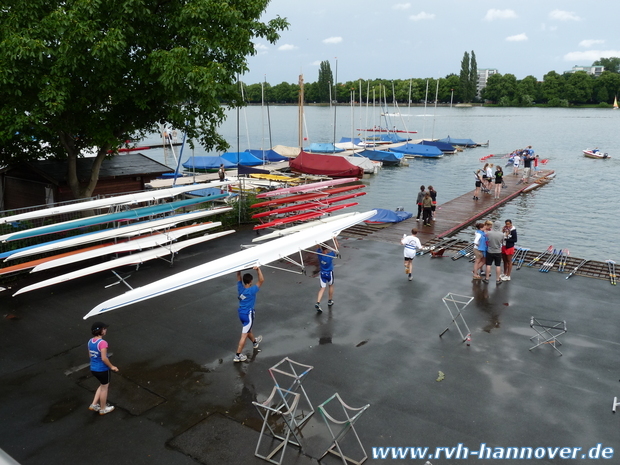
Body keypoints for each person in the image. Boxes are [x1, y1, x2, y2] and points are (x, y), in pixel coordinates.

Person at [88, 322, 119, 415]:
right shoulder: (103, 343)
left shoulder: (90, 341)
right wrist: (112, 366)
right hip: (102, 370)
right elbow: (104, 358)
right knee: (105, 388)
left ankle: (94, 404)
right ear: (100, 331)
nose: (106, 330)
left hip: (93, 368)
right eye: (104, 329)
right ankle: (103, 408)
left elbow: (90, 355)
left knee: (102, 386)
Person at [234, 267, 264, 362]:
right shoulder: (252, 291)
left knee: (248, 330)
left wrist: (239, 269)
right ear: (250, 281)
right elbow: (261, 280)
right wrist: (258, 269)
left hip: (241, 314)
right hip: (248, 314)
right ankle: (237, 355)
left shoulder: (240, 288)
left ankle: (255, 342)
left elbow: (238, 277)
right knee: (244, 335)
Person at [315, 240, 338, 312]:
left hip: (322, 274)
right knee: (331, 285)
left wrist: (318, 241)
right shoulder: (330, 255)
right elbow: (337, 247)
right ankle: (330, 300)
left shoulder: (319, 254)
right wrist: (335, 239)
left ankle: (318, 302)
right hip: (329, 274)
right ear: (327, 248)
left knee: (322, 288)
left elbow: (317, 246)